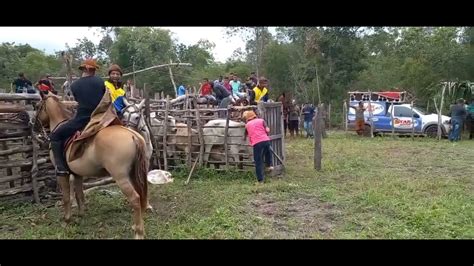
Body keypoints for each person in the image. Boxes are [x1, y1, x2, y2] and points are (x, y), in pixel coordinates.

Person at [49, 59, 105, 176]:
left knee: (55, 135)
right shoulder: (101, 82)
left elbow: (80, 101)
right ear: (92, 70)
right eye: (94, 70)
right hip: (101, 117)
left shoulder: (75, 85)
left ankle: (61, 167)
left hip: (83, 119)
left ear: (84, 69)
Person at [243, 110, 273, 184]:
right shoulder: (261, 120)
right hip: (266, 140)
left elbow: (245, 135)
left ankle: (260, 180)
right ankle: (269, 165)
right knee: (268, 152)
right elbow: (267, 130)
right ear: (255, 116)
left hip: (257, 143)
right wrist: (266, 132)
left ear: (248, 118)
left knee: (258, 161)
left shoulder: (247, 125)